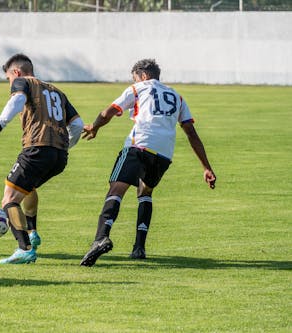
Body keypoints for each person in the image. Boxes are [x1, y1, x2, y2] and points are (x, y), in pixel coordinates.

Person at [80, 59, 216, 267]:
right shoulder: (177, 96)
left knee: (116, 189)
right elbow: (191, 133)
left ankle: (101, 238)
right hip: (163, 154)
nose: (134, 80)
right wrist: (206, 167)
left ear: (142, 75)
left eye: (134, 77)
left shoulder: (138, 88)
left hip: (140, 145)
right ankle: (139, 247)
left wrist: (95, 127)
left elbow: (109, 112)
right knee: (145, 192)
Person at [0, 53, 84, 264]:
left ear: (16, 73)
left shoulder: (22, 82)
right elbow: (77, 125)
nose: (10, 85)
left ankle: (25, 249)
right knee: (27, 188)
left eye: (8, 79)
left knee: (9, 199)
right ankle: (32, 233)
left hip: (37, 149)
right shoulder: (57, 91)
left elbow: (18, 99)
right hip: (59, 156)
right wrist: (65, 145)